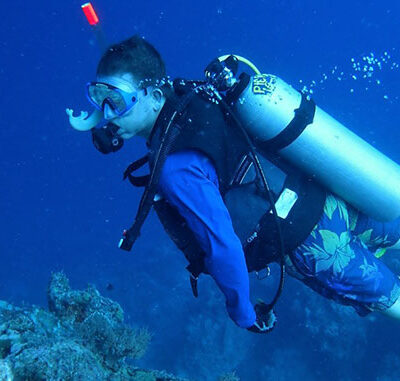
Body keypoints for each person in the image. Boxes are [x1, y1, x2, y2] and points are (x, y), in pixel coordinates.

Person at [67, 35, 400, 333]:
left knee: (393, 300)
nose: (108, 114)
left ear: (154, 95)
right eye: (98, 98)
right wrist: (98, 114)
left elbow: (222, 246)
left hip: (315, 246)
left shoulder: (174, 169)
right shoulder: (190, 99)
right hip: (328, 195)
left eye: (116, 101)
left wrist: (242, 314)